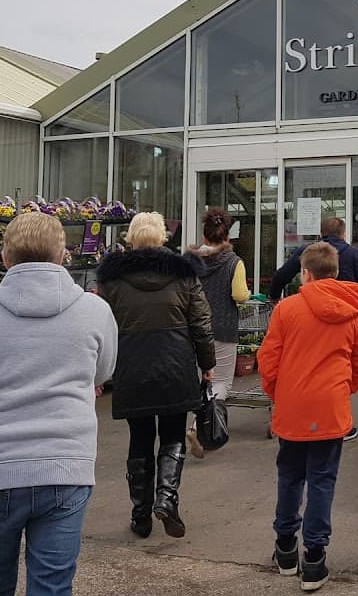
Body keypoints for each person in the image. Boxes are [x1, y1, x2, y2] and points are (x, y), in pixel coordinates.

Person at [0, 212, 118, 595]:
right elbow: (103, 371)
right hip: (65, 466)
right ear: (63, 255)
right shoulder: (95, 311)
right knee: (52, 586)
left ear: (4, 257)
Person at [258, 242, 358, 591]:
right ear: (336, 272)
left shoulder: (287, 309)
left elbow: (269, 359)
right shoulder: (353, 311)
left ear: (305, 274)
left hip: (292, 406)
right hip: (331, 407)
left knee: (290, 476)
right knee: (322, 480)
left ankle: (284, 548)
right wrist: (343, 387)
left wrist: (278, 393)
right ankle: (314, 558)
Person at [97, 211, 215, 540]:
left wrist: (99, 370)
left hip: (132, 367)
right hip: (175, 365)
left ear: (130, 239)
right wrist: (207, 364)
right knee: (174, 433)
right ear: (164, 237)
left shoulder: (112, 280)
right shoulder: (184, 274)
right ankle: (166, 499)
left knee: (140, 437)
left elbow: (101, 327)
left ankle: (140, 516)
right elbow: (201, 326)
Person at [270, 216, 358, 441]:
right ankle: (337, 418)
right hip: (347, 318)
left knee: (303, 363)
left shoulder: (307, 253)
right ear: (344, 234)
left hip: (304, 314)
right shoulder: (356, 254)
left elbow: (281, 276)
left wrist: (275, 298)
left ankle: (301, 418)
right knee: (337, 365)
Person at [187, 208, 251, 457]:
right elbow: (239, 295)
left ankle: (198, 425)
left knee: (200, 381)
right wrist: (247, 295)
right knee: (221, 382)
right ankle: (198, 428)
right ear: (227, 238)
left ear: (204, 238)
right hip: (222, 329)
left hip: (193, 330)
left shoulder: (191, 262)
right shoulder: (234, 263)